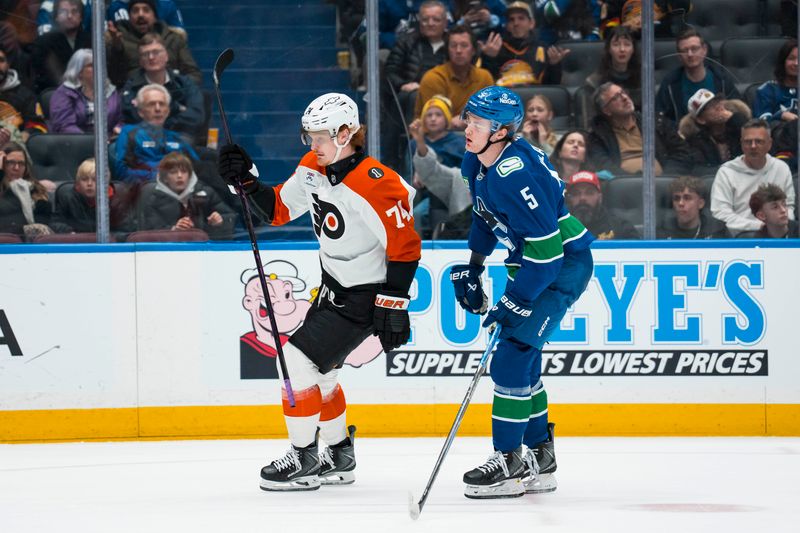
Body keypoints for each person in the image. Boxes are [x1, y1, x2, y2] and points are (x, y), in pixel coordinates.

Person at [217, 93, 422, 491]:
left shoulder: (375, 183)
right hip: (331, 288)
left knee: (293, 362)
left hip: (365, 294)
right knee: (321, 373)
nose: (313, 145)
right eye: (308, 136)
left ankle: (304, 456)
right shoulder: (313, 166)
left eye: (321, 137)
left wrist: (394, 303)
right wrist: (245, 180)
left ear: (347, 133)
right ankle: (338, 453)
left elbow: (405, 247)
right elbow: (277, 209)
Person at [450, 86, 594, 498]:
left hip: (562, 266)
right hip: (532, 263)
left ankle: (511, 460)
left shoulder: (516, 174)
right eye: (469, 117)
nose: (468, 126)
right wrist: (474, 267)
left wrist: (516, 300)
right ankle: (540, 454)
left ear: (501, 131)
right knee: (524, 359)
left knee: (511, 358)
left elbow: (548, 253)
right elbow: (483, 216)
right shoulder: (475, 161)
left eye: (478, 122)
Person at [383, 0, 449, 174]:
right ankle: (402, 161)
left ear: (445, 22)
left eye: (436, 19)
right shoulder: (407, 41)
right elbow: (390, 72)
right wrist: (403, 84)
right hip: (411, 96)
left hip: (445, 97)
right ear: (419, 21)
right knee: (411, 97)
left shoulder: (454, 43)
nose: (430, 23)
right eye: (426, 19)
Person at [711, 119, 796, 236]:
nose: (753, 146)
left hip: (777, 233)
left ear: (770, 144)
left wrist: (778, 225)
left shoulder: (781, 168)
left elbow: (789, 205)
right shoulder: (726, 172)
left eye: (759, 141)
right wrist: (759, 226)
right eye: (748, 142)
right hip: (741, 236)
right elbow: (720, 213)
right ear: (741, 143)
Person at [589, 82, 692, 176]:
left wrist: (666, 178)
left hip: (665, 184)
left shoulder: (655, 122)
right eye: (616, 97)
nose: (625, 97)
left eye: (623, 92)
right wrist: (634, 181)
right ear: (606, 111)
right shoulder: (598, 136)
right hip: (624, 189)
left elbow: (681, 152)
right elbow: (604, 166)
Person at [120, 33, 204, 143]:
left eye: (156, 52)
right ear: (140, 61)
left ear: (166, 56)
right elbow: (133, 117)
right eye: (145, 54)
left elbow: (196, 116)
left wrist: (163, 122)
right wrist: (177, 108)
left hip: (179, 137)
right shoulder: (131, 87)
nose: (151, 57)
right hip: (144, 140)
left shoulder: (183, 83)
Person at [409, 95, 470, 236]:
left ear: (447, 119)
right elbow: (411, 172)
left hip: (457, 195)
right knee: (416, 215)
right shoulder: (415, 143)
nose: (433, 118)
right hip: (427, 196)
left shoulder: (460, 142)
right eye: (429, 115)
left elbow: (465, 172)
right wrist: (416, 175)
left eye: (438, 114)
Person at [139, 152, 235, 239]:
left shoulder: (206, 193)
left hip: (204, 249)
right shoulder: (151, 198)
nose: (180, 176)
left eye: (184, 171)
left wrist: (221, 220)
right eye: (173, 172)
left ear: (190, 175)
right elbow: (147, 230)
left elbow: (231, 217)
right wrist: (173, 230)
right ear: (164, 177)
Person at [114, 84, 197, 182]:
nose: (158, 109)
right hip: (145, 187)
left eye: (161, 104)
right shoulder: (129, 133)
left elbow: (195, 169)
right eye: (151, 104)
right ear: (141, 111)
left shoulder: (176, 137)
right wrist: (161, 176)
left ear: (167, 111)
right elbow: (121, 172)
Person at [655, 28, 741, 124]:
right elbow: (660, 119)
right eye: (684, 50)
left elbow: (739, 113)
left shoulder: (722, 79)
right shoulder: (670, 84)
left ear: (704, 50)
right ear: (679, 56)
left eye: (694, 48)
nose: (690, 54)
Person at [105, 0, 200, 87]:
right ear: (129, 17)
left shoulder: (173, 39)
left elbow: (193, 74)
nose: (140, 15)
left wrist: (176, 90)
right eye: (135, 11)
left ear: (155, 16)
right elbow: (113, 79)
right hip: (133, 98)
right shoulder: (119, 40)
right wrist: (117, 47)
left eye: (146, 10)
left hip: (172, 96)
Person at [414, 24, 495, 126]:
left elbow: (492, 115)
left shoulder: (484, 77)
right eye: (453, 46)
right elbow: (433, 123)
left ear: (474, 50)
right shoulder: (434, 78)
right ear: (447, 50)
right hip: (437, 138)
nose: (458, 51)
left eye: (464, 45)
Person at [479, 2, 567, 88]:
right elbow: (487, 87)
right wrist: (488, 58)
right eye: (511, 20)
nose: (516, 23)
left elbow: (552, 89)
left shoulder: (544, 49)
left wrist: (554, 65)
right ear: (507, 26)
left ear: (531, 23)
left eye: (521, 18)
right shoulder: (495, 48)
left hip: (535, 99)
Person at [48, 49, 124, 136]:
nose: (98, 68)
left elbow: (122, 119)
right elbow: (64, 126)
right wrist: (89, 141)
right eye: (91, 65)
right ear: (79, 71)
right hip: (75, 143)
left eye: (100, 64)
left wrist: (118, 129)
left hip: (109, 142)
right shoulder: (64, 93)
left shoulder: (111, 91)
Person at [50, 157, 133, 235]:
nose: (89, 184)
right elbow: (55, 223)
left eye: (95, 179)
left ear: (106, 182)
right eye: (84, 179)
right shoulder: (67, 197)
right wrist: (69, 232)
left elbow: (125, 231)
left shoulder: (118, 200)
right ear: (78, 183)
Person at [678, 88, 750, 176]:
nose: (718, 107)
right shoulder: (696, 142)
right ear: (701, 119)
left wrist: (734, 118)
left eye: (717, 102)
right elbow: (699, 170)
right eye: (710, 106)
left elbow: (752, 136)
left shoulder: (737, 126)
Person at [30, 0, 92, 94]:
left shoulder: (90, 41)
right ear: (56, 17)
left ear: (81, 17)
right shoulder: (44, 43)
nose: (69, 16)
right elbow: (43, 80)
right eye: (63, 11)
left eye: (74, 11)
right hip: (56, 95)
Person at [583, 25, 641, 121]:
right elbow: (590, 120)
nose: (622, 49)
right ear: (609, 49)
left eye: (627, 44)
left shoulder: (644, 79)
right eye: (616, 44)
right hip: (605, 132)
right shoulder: (594, 82)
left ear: (633, 49)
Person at [565, 169, 639, 239]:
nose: (582, 198)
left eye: (589, 193)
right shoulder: (558, 229)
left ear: (600, 197)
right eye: (576, 193)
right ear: (569, 199)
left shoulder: (620, 227)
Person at [0, 141, 53, 238]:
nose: (16, 168)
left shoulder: (36, 191)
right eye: (10, 163)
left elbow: (47, 223)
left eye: (21, 163)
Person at [657, 175, 729, 239]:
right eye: (676, 198)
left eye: (687, 198)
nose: (680, 203)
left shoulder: (717, 230)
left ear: (701, 203)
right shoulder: (661, 232)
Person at [0, 45, 45, 144]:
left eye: (1, 60)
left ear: (8, 64)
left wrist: (26, 134)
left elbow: (39, 125)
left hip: (15, 149)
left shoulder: (25, 95)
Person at [533, 0, 601, 46]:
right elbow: (553, 12)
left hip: (580, 53)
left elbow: (594, 31)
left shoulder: (592, 2)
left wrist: (585, 47)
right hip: (551, 47)